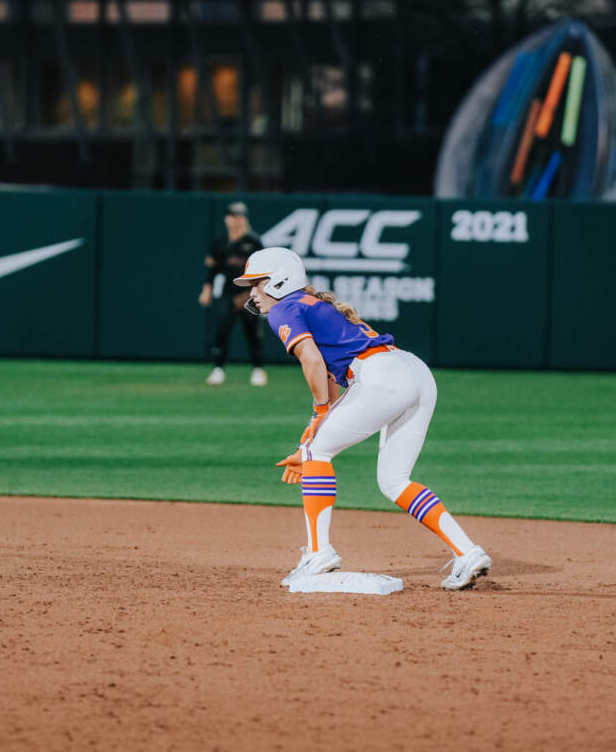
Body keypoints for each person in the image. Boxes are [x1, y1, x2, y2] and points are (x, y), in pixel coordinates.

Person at [233, 246, 492, 590]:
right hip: (412, 370)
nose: (252, 292)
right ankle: (467, 551)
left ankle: (317, 553)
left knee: (317, 453)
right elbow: (326, 376)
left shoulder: (284, 308)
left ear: (279, 282)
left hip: (379, 376)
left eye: (257, 282)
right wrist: (315, 428)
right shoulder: (312, 304)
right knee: (394, 480)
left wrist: (316, 437)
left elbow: (312, 362)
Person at [198, 201, 267, 386]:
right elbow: (213, 270)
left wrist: (254, 294)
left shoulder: (253, 241)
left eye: (239, 216)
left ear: (244, 219)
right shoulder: (220, 242)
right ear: (226, 219)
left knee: (252, 333)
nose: (235, 220)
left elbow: (263, 273)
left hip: (249, 295)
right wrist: (207, 289)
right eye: (232, 216)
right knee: (222, 330)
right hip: (229, 293)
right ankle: (218, 369)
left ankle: (258, 369)